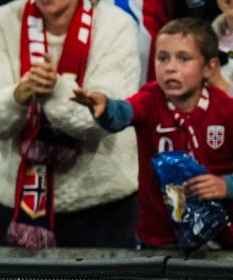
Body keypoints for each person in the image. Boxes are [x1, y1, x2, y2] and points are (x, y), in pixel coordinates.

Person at [0, 0, 140, 246]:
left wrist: (53, 91)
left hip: (101, 209)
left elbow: (104, 120)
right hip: (15, 206)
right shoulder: (4, 21)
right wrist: (18, 95)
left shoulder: (116, 26)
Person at [79, 17, 233, 247]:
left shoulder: (226, 110)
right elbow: (122, 113)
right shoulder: (150, 99)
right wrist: (104, 108)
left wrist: (226, 185)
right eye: (162, 58)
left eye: (183, 59)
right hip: (159, 238)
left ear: (209, 68)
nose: (170, 67)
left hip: (221, 238)